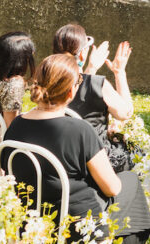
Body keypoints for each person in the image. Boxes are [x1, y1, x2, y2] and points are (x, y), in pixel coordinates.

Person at [2, 54, 150, 243]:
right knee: (130, 182)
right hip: (77, 224)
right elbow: (112, 188)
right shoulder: (79, 130)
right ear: (70, 93)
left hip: (31, 221)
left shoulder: (16, 126)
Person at [52, 23, 134, 171]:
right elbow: (125, 113)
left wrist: (92, 69)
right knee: (145, 157)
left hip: (57, 154)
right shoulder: (97, 84)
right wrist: (119, 72)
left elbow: (79, 91)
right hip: (96, 159)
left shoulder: (47, 81)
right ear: (83, 54)